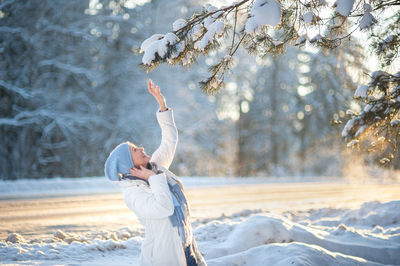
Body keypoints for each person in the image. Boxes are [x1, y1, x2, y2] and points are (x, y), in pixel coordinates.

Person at [104, 80, 207, 266]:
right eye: (135, 150)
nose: (141, 148)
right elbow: (164, 208)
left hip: (187, 249)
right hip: (165, 257)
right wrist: (153, 179)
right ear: (129, 165)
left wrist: (162, 104)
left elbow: (170, 141)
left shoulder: (156, 168)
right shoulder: (133, 193)